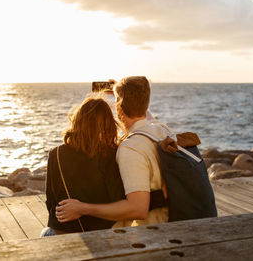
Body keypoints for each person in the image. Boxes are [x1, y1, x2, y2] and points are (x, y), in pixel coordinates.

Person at [55, 76, 171, 227]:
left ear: (119, 108)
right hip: (168, 220)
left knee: (47, 233)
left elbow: (138, 209)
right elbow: (142, 112)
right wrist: (122, 91)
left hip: (144, 234)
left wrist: (82, 208)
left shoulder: (130, 149)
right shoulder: (161, 130)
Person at [40, 96, 125, 236]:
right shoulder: (110, 155)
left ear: (78, 121)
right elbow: (122, 204)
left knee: (46, 233)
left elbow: (51, 203)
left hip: (60, 233)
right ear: (108, 125)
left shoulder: (55, 154)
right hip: (101, 236)